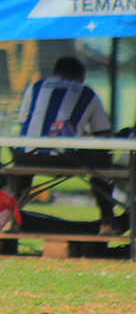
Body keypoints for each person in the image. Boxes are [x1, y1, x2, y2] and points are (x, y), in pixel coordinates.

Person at [12, 56, 123, 235]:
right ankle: (107, 220)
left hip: (27, 157)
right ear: (81, 76)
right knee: (103, 157)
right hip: (66, 160)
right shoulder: (87, 93)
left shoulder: (36, 87)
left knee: (24, 158)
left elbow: (23, 122)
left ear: (55, 72)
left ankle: (11, 213)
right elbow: (103, 135)